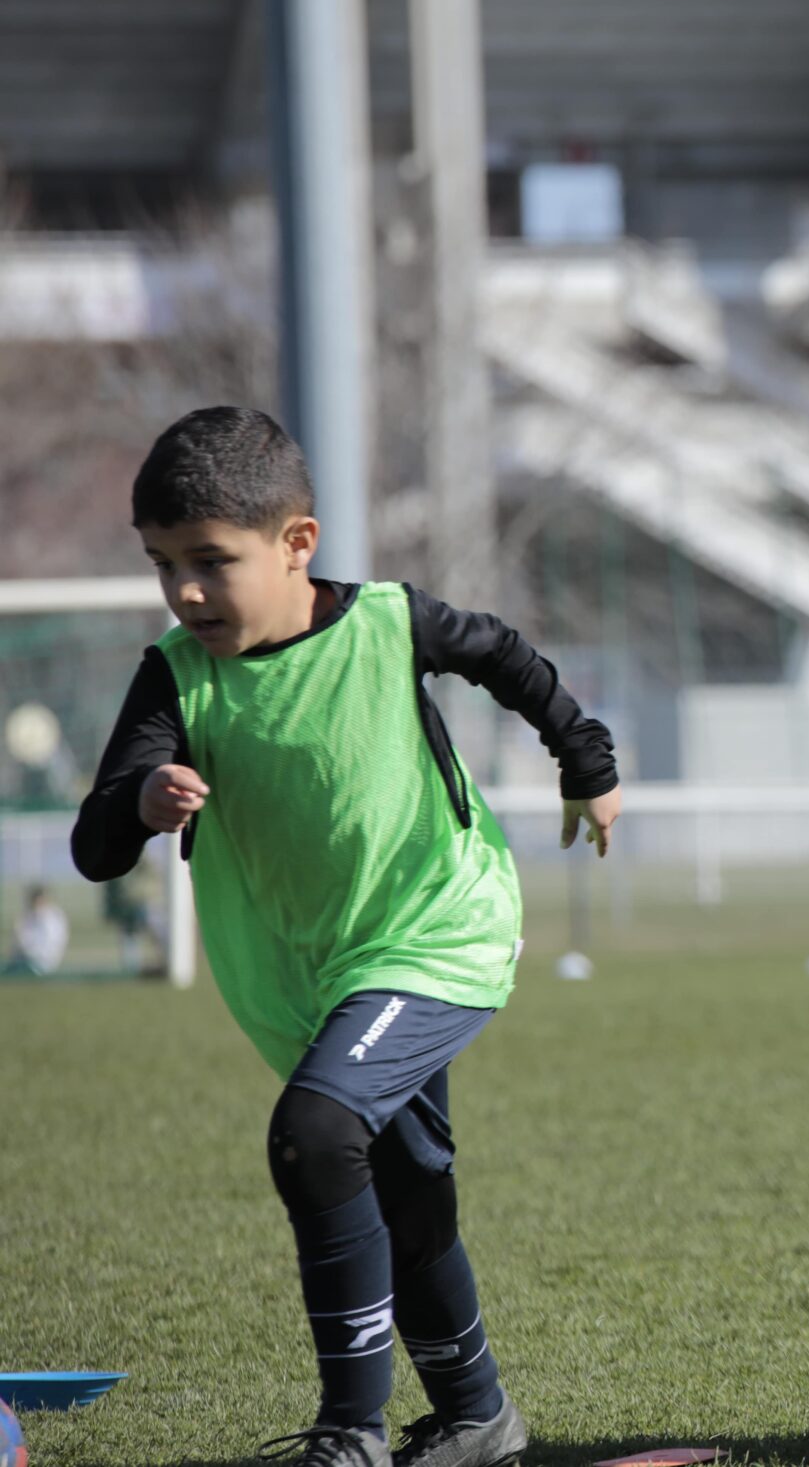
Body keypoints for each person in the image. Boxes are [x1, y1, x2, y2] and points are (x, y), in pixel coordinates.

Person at [70, 406, 620, 1467]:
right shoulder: (177, 675)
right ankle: (476, 1417)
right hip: (312, 977)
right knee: (405, 1187)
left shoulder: (387, 623)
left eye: (209, 561)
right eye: (162, 564)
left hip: (442, 930)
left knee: (316, 1135)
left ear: (297, 545)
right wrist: (140, 800)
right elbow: (97, 844)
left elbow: (505, 657)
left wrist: (585, 758)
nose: (184, 590)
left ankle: (349, 1434)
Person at [8, 885, 69, 975]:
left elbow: (50, 946)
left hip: (41, 963)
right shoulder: (28, 916)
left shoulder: (53, 918)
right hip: (25, 961)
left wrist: (25, 950)